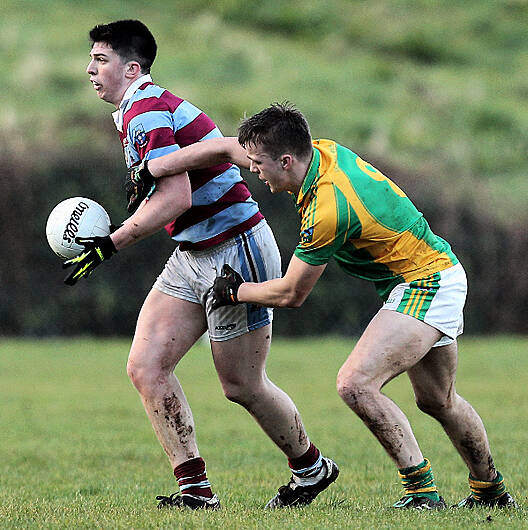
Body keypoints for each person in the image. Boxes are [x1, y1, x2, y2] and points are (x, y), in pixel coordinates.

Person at [139, 102, 518, 510]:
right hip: (434, 273)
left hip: (424, 283)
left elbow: (291, 294)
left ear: (286, 160)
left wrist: (236, 292)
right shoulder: (320, 152)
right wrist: (153, 168)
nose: (254, 171)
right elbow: (224, 149)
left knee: (355, 384)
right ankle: (491, 493)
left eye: (259, 164)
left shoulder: (327, 208)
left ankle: (422, 493)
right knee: (438, 401)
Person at [64, 22, 339, 510]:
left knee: (241, 385)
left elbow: (175, 197)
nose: (90, 69)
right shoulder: (140, 108)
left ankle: (311, 468)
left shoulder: (146, 111)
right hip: (192, 252)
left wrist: (113, 242)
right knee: (147, 366)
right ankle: (196, 492)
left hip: (234, 250)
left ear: (132, 69)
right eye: (91, 59)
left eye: (101, 60)